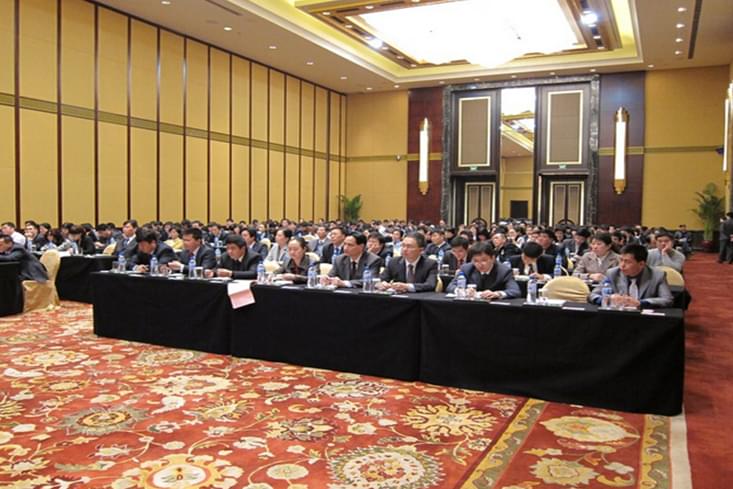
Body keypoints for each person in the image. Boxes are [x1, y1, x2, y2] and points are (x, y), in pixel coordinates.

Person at [589, 244, 673, 308]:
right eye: (621, 260)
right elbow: (592, 295)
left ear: (641, 264)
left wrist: (640, 303)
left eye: (627, 262)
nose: (622, 265)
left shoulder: (657, 275)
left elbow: (667, 299)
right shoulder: (612, 273)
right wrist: (608, 299)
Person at [446, 241, 520, 300]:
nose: (480, 264)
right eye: (476, 261)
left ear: (493, 258)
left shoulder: (504, 271)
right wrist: (463, 291)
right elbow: (450, 286)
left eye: (484, 260)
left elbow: (515, 291)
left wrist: (497, 294)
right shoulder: (467, 268)